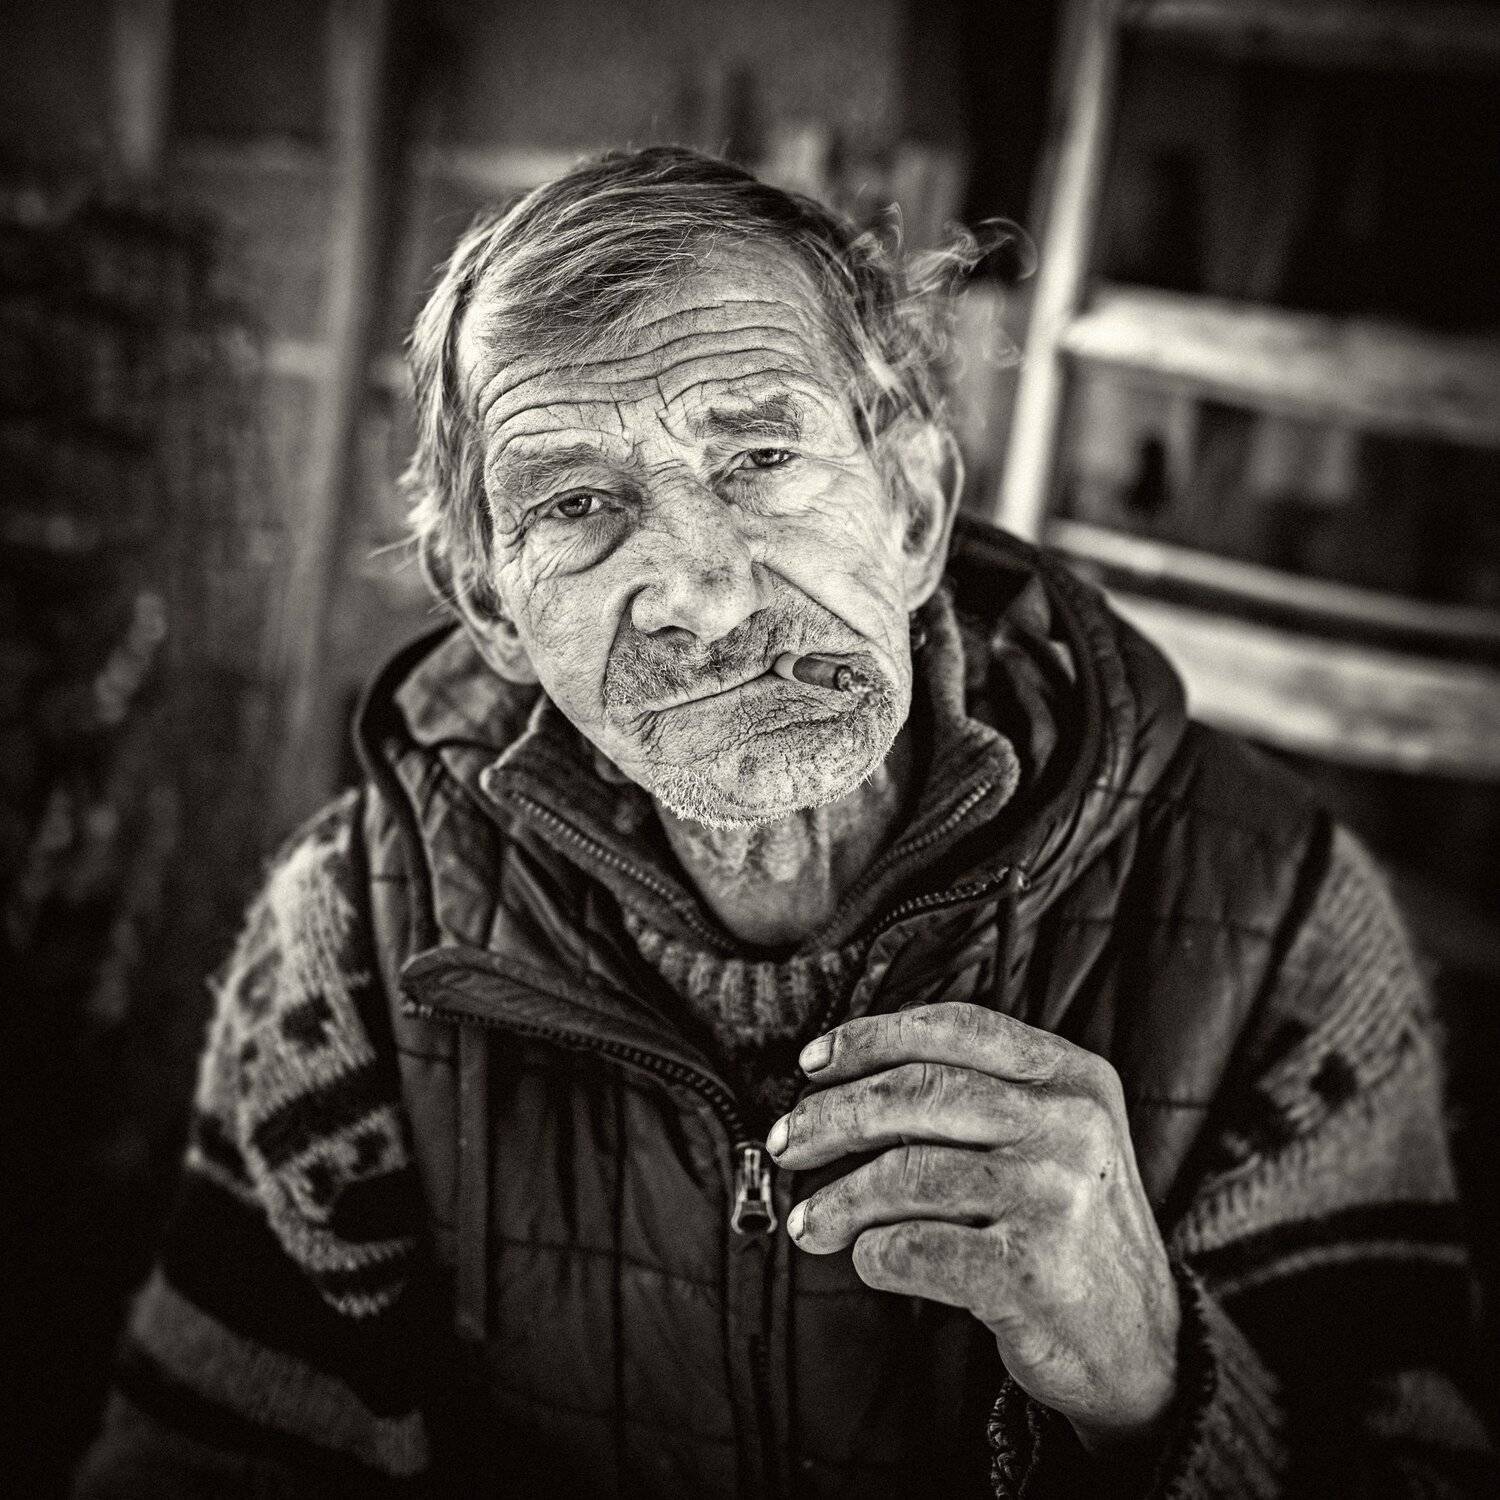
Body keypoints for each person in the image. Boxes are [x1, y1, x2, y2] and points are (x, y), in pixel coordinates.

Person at [75, 146, 1492, 1498]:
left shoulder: (1276, 919)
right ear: (496, 610)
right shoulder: (353, 942)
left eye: (758, 460)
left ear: (915, 511)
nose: (705, 590)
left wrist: (1159, 1385)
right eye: (578, 504)